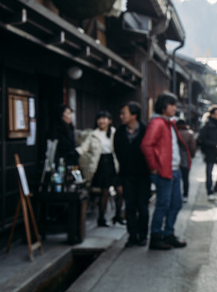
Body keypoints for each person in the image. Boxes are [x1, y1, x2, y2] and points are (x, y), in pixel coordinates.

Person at [140, 92, 191, 251]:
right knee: (163, 204)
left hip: (173, 170)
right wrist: (154, 167)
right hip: (164, 171)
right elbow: (146, 145)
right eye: (172, 104)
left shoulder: (168, 122)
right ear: (164, 106)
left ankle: (168, 233)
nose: (175, 107)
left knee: (175, 203)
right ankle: (156, 236)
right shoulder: (157, 123)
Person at [113, 101, 150, 247]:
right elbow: (117, 157)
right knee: (129, 207)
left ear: (134, 115)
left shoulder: (145, 130)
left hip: (143, 175)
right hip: (127, 175)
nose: (121, 116)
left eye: (124, 113)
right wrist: (118, 181)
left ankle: (143, 235)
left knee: (143, 207)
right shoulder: (119, 132)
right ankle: (132, 236)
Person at [77, 110, 122, 227]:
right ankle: (101, 218)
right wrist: (75, 153)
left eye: (105, 118)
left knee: (120, 190)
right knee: (105, 192)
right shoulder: (93, 134)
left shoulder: (114, 132)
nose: (102, 121)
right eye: (99, 118)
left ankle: (118, 216)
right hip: (102, 164)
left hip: (114, 162)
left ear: (110, 121)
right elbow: (84, 147)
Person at [198, 105, 217, 200]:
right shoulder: (206, 126)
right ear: (212, 114)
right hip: (210, 152)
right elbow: (202, 140)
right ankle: (209, 191)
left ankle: (216, 189)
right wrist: (214, 145)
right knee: (209, 173)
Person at [176, 119, 197, 202]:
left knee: (176, 179)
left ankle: (176, 195)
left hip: (175, 159)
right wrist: (191, 155)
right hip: (185, 158)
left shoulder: (175, 132)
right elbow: (193, 147)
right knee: (185, 178)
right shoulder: (189, 133)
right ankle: (185, 195)